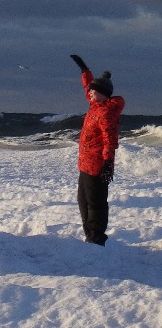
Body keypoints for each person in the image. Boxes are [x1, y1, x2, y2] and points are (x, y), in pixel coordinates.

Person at [70, 54, 124, 246]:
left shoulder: (105, 113)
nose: (90, 93)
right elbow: (88, 87)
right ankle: (89, 235)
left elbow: (111, 140)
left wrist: (108, 163)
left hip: (97, 165)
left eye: (94, 91)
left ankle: (96, 238)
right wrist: (84, 70)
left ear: (103, 93)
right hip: (85, 163)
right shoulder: (96, 105)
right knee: (82, 200)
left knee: (96, 203)